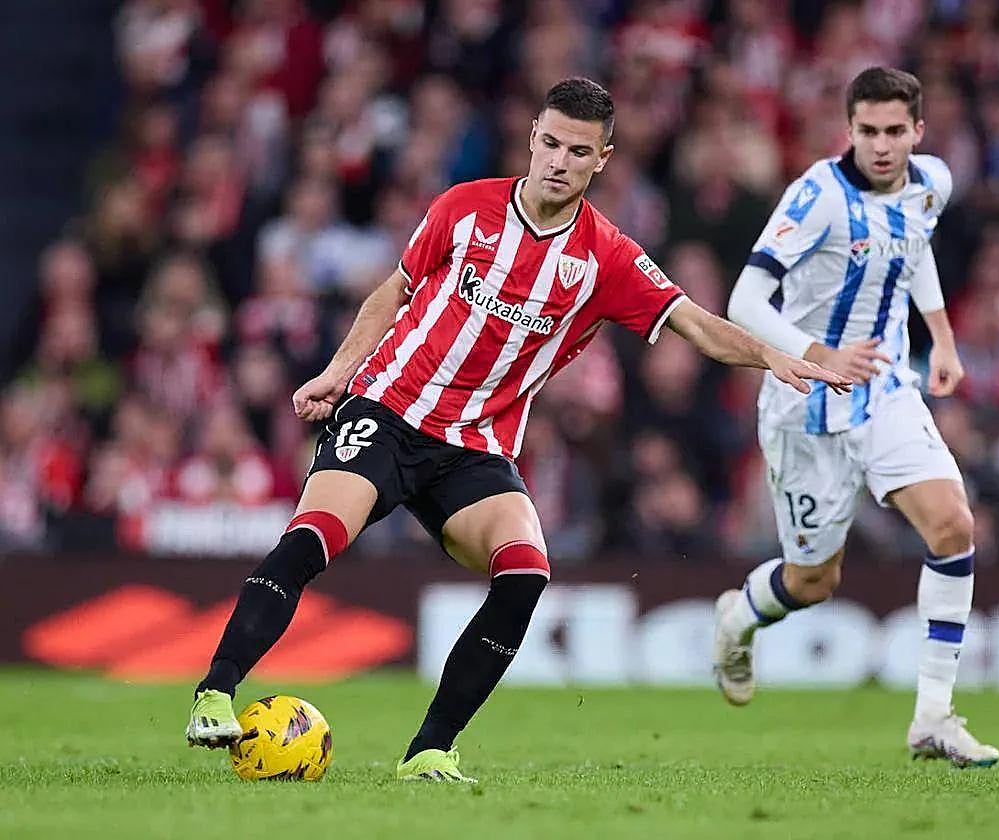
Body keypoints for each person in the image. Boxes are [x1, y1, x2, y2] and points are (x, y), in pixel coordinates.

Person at [184, 77, 850, 782]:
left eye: (579, 151)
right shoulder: (463, 206)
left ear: (603, 159)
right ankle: (215, 693)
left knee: (526, 571)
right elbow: (394, 291)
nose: (559, 161)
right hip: (389, 408)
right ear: (532, 137)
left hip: (475, 446)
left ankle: (429, 751)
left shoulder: (607, 257)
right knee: (315, 535)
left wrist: (778, 356)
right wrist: (338, 371)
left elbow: (695, 323)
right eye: (551, 143)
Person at [712, 67, 999, 768]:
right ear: (849, 130)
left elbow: (915, 245)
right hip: (804, 405)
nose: (880, 145)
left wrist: (942, 338)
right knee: (813, 582)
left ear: (918, 131)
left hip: (884, 390)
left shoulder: (932, 183)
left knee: (953, 525)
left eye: (894, 131)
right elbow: (743, 301)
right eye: (868, 131)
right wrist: (820, 354)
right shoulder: (817, 197)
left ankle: (933, 717)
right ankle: (737, 618)